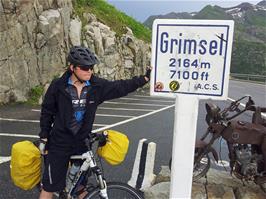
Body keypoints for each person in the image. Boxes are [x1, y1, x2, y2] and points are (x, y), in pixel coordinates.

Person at [38, 46, 151, 199]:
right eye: (85, 67)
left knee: (81, 188)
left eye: (91, 67)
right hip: (59, 143)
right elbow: (47, 111)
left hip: (81, 143)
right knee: (49, 187)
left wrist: (144, 79)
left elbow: (120, 87)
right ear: (72, 67)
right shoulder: (58, 86)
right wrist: (44, 136)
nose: (89, 71)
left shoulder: (96, 86)